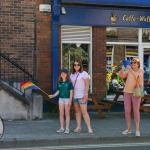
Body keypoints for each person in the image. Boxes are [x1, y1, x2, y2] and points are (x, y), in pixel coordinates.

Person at [117, 58, 144, 137]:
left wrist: (130, 70)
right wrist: (122, 70)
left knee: (136, 111)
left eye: (134, 63)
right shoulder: (128, 70)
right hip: (127, 92)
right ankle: (128, 129)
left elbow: (138, 78)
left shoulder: (140, 71)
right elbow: (121, 75)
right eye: (132, 63)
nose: (132, 64)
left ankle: (137, 130)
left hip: (136, 93)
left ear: (138, 64)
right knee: (127, 110)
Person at [70, 59, 93, 134]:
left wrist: (86, 94)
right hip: (75, 96)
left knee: (84, 112)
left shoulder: (84, 73)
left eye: (78, 65)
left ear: (80, 66)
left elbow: (87, 84)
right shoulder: (72, 75)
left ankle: (89, 128)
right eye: (75, 65)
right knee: (77, 112)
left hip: (82, 95)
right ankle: (78, 127)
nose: (76, 66)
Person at [49, 69, 73, 134]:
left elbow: (71, 92)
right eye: (62, 74)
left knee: (67, 114)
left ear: (67, 75)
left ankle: (67, 128)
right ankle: (62, 128)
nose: (63, 75)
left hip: (67, 99)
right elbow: (58, 91)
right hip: (61, 99)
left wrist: (70, 100)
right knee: (61, 113)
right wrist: (53, 95)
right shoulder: (59, 83)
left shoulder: (69, 83)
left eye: (64, 73)